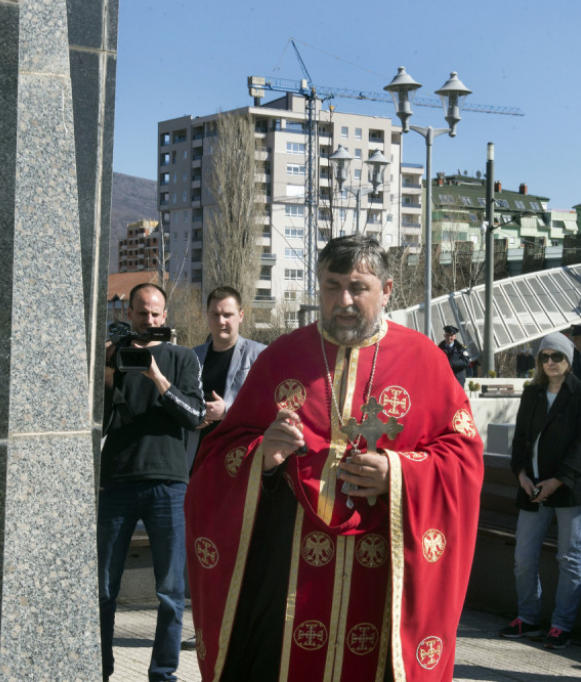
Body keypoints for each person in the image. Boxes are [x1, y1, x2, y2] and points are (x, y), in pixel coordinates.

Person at [185, 235, 484, 681]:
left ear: (386, 289)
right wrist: (262, 456)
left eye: (357, 287)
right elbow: (220, 453)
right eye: (331, 285)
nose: (343, 300)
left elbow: (463, 457)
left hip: (382, 566)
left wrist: (397, 472)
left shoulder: (424, 360)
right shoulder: (282, 357)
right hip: (290, 570)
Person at [98, 283, 206, 682]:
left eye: (156, 314)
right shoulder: (113, 360)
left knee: (170, 592)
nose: (149, 320)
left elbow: (195, 414)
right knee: (105, 589)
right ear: (129, 314)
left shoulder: (182, 358)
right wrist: (107, 370)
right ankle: (102, 669)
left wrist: (157, 377)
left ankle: (163, 674)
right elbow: (97, 418)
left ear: (165, 316)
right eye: (142, 313)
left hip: (169, 484)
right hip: (117, 482)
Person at [500, 332, 581, 651]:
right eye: (545, 357)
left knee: (568, 557)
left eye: (557, 356)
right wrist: (521, 475)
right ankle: (528, 619)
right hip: (533, 486)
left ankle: (561, 625)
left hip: (569, 488)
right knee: (523, 557)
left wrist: (556, 482)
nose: (550, 362)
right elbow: (520, 442)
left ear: (569, 359)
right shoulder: (532, 393)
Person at [186, 286, 267, 473]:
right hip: (196, 459)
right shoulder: (192, 357)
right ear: (207, 315)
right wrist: (191, 417)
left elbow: (268, 407)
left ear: (241, 315)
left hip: (238, 459)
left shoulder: (260, 355)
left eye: (227, 315)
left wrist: (227, 410)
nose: (221, 321)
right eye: (215, 315)